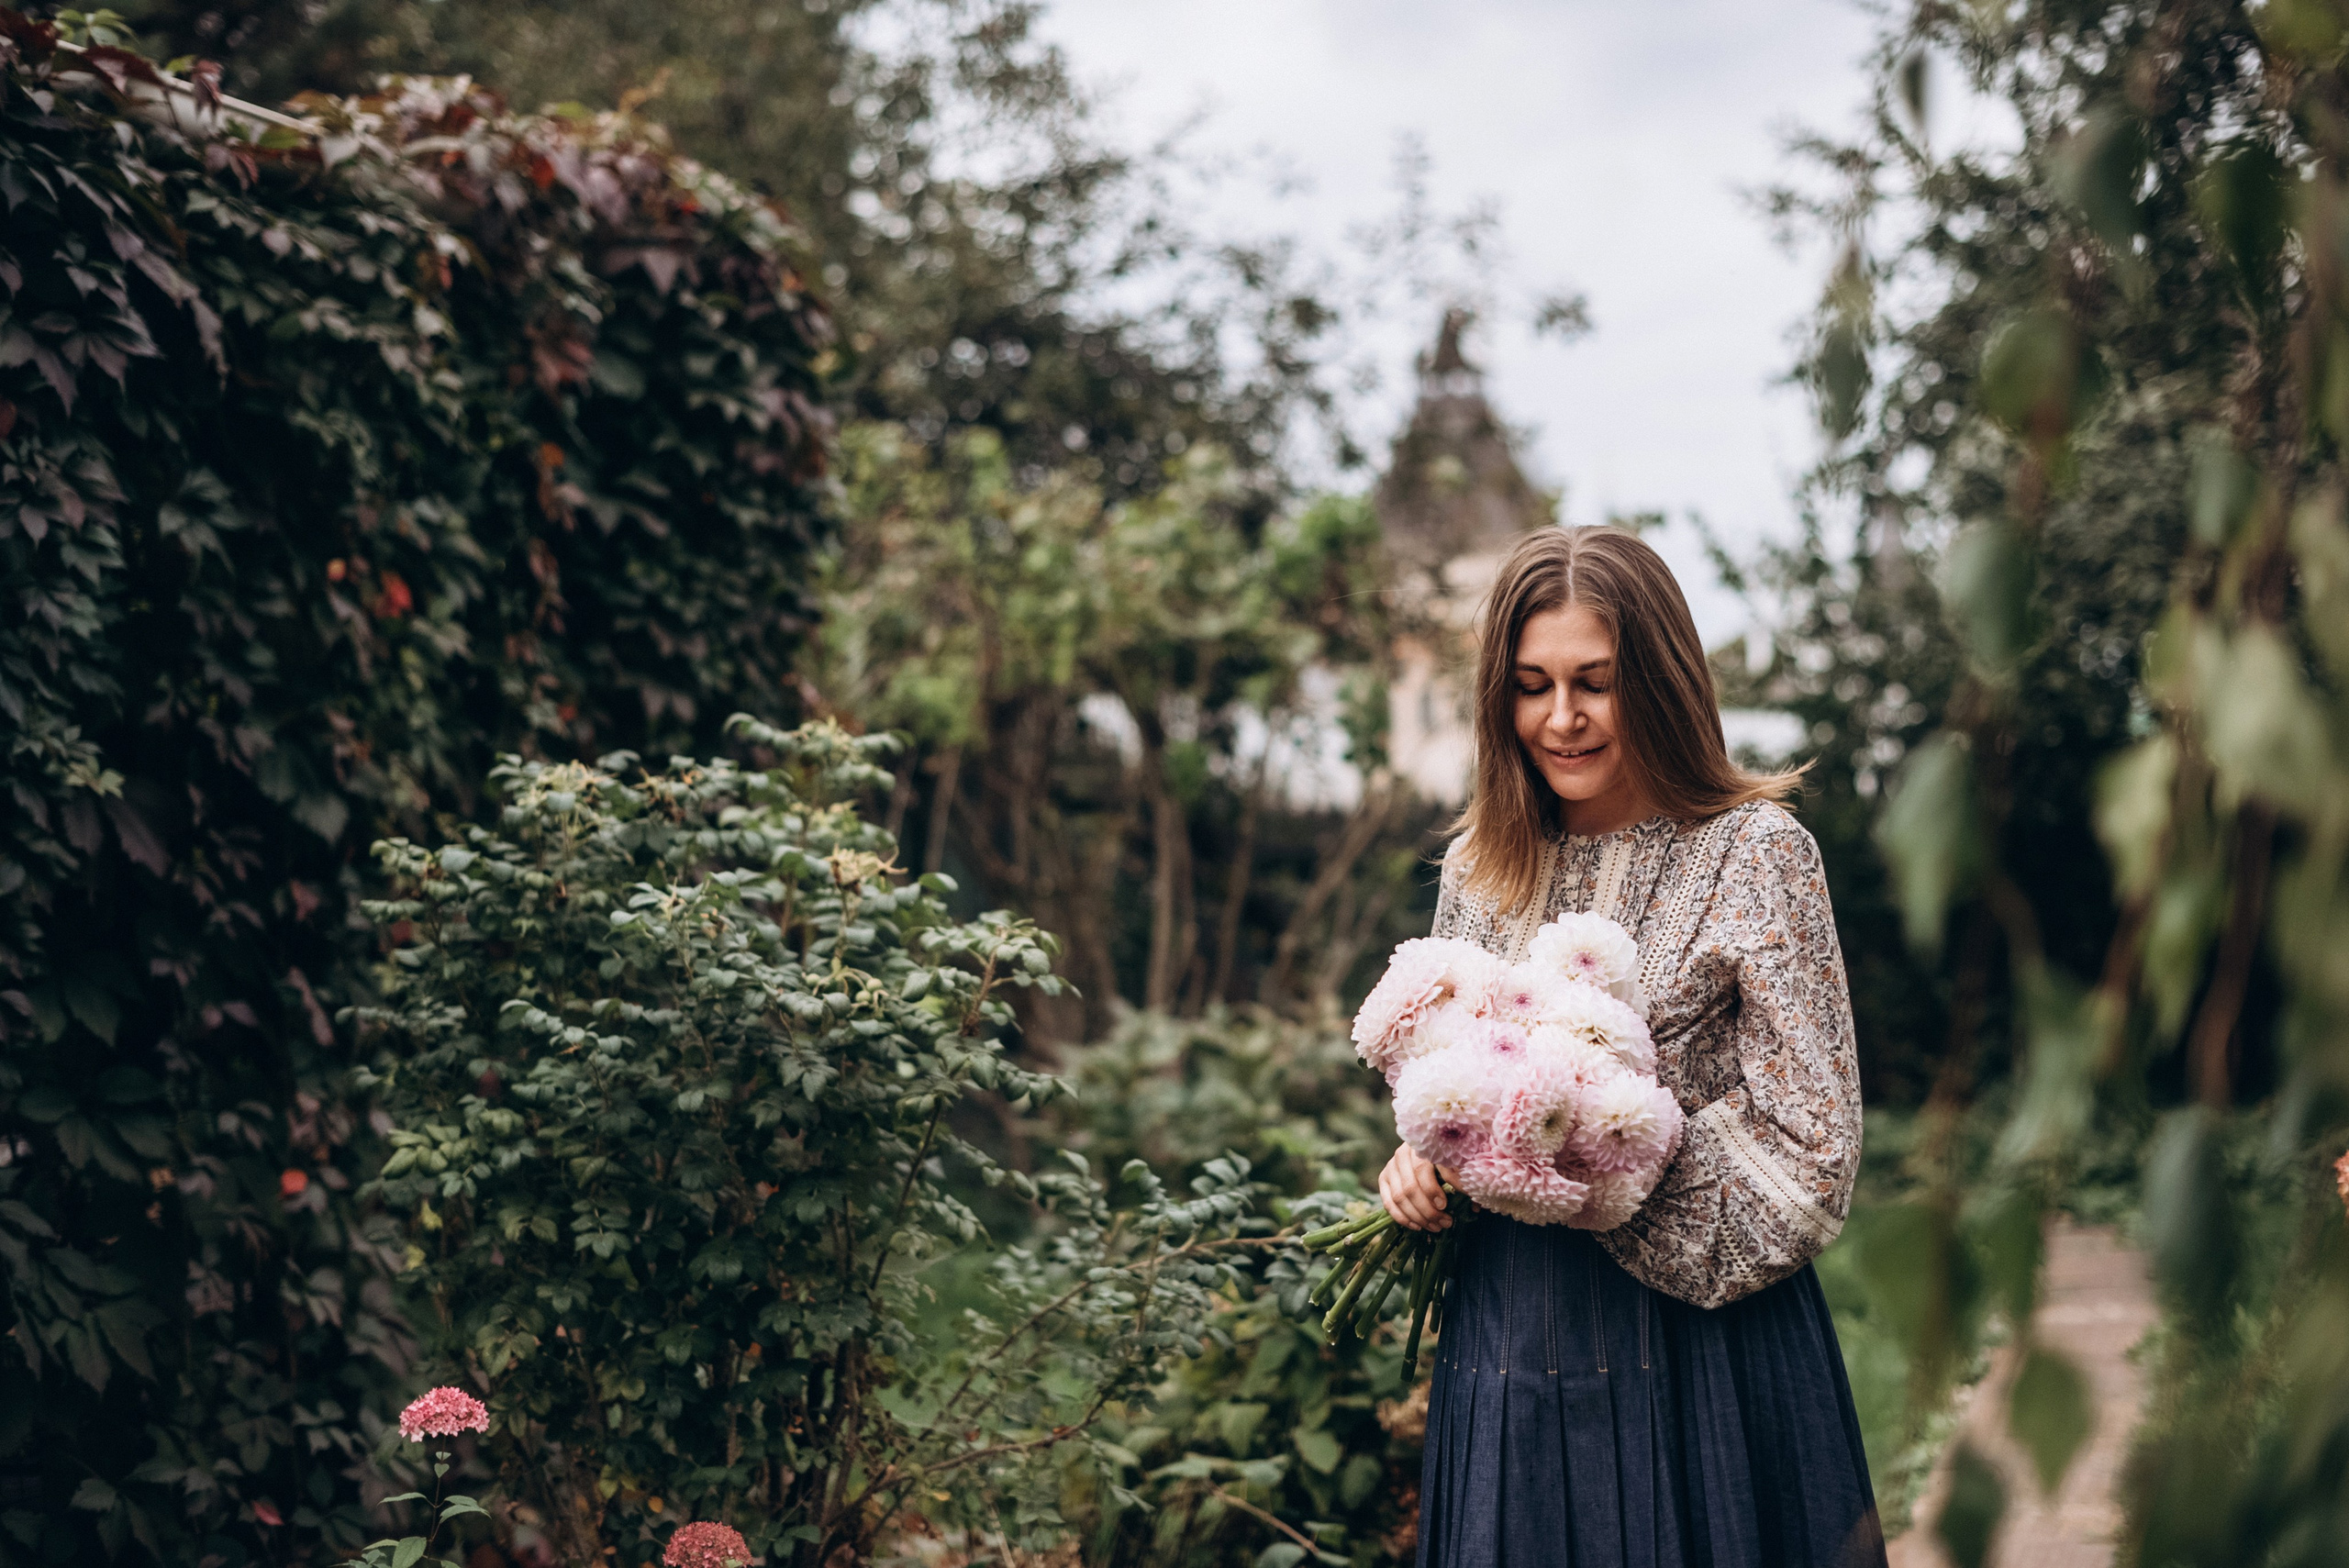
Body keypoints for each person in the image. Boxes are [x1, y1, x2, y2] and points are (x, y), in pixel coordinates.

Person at [1378, 525, 1885, 1568]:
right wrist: (1421, 1164)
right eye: (1530, 684)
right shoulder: (1482, 865)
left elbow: (1814, 1152)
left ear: (1655, 681)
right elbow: (1446, 1077)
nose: (1559, 718)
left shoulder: (1756, 852)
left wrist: (1597, 1160)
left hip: (1703, 1358)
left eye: (1594, 683)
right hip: (1512, 1340)